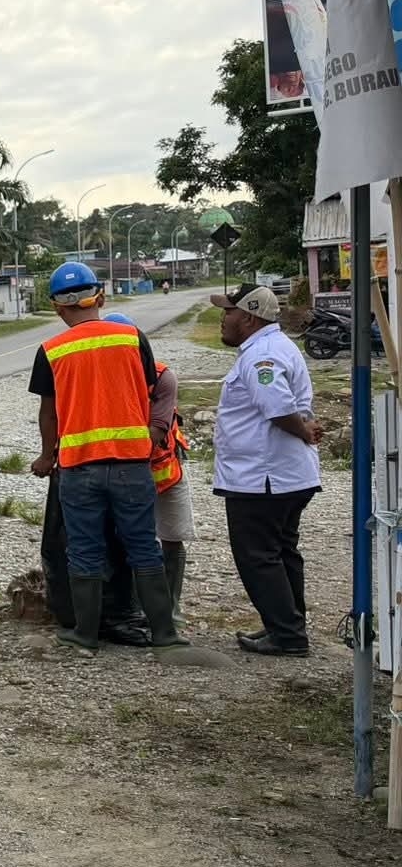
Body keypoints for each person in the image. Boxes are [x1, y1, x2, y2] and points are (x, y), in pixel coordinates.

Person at [28, 262, 185, 652]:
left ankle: (84, 634)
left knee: (83, 549)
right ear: (99, 296)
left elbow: (48, 413)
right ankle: (165, 634)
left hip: (80, 468)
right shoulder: (133, 337)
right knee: (143, 546)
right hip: (133, 464)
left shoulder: (51, 350)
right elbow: (150, 389)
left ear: (57, 307)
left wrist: (47, 456)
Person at [211, 283, 322, 656]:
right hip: (278, 474)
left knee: (258, 555)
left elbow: (276, 407)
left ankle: (287, 635)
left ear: (248, 316)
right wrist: (304, 429)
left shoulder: (263, 356)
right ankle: (286, 624)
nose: (223, 319)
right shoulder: (270, 347)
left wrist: (302, 429)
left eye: (228, 312)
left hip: (264, 477)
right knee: (281, 550)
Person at [107, 312, 195, 616]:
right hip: (123, 472)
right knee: (127, 541)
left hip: (163, 470)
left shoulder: (161, 377)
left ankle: (169, 609)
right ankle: (132, 607)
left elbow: (155, 433)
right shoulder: (100, 383)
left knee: (171, 538)